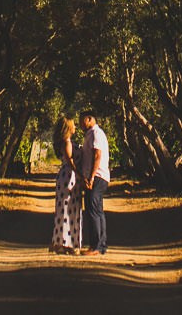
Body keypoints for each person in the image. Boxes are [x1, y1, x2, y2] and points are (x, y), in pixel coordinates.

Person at [77, 109, 110, 256]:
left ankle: (95, 247)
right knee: (97, 210)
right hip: (97, 176)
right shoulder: (91, 134)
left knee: (93, 211)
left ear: (90, 119)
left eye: (81, 120)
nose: (80, 124)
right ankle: (101, 245)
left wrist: (91, 177)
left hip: (97, 177)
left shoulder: (96, 133)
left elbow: (97, 155)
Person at [49, 117, 83, 253]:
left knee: (64, 208)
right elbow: (69, 160)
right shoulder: (67, 142)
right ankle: (65, 243)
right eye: (73, 125)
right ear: (69, 127)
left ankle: (61, 242)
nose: (75, 127)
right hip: (69, 177)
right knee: (69, 209)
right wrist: (79, 173)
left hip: (66, 176)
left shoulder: (65, 142)